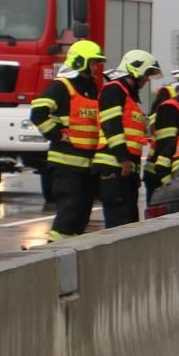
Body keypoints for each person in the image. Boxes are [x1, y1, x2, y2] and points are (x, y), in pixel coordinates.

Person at [30, 39, 106, 241]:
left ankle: (72, 252)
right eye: (92, 63)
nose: (95, 68)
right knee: (68, 212)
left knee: (82, 215)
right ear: (81, 61)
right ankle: (52, 252)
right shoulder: (62, 86)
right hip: (66, 164)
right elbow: (37, 112)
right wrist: (56, 134)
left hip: (86, 165)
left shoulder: (91, 88)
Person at [92, 50, 162, 227]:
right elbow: (111, 126)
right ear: (135, 69)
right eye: (146, 74)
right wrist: (123, 159)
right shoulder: (114, 90)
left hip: (125, 170)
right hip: (114, 166)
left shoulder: (128, 95)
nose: (147, 80)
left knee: (129, 223)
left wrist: (133, 169)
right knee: (120, 224)